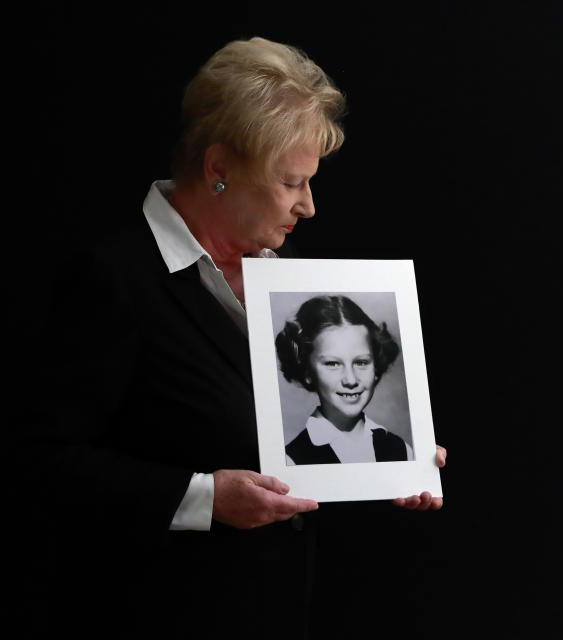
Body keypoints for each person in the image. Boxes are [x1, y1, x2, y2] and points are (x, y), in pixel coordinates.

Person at [29, 37, 446, 639]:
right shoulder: (115, 279)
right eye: (291, 182)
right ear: (219, 169)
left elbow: (290, 440)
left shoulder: (285, 269)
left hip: (270, 609)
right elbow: (39, 461)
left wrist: (391, 463)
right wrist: (203, 498)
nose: (308, 205)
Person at [276, 295, 415, 464]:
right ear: (307, 371)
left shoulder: (401, 450)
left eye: (361, 362)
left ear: (376, 367)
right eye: (333, 363)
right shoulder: (290, 460)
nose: (350, 380)